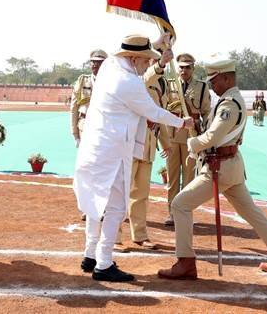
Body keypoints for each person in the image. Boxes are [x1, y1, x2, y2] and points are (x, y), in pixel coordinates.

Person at [157, 59, 267, 280]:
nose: (211, 85)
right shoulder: (229, 100)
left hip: (218, 168)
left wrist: (194, 143)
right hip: (229, 166)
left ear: (226, 78)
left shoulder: (229, 104)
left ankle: (185, 262)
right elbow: (214, 132)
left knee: (180, 204)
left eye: (214, 80)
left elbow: (214, 136)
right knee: (252, 214)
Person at [73, 34, 193, 282]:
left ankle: (90, 255)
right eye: (147, 59)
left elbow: (140, 67)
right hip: (114, 152)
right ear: (135, 58)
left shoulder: (109, 68)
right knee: (116, 207)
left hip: (95, 149)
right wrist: (182, 122)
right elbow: (153, 111)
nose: (149, 63)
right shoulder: (129, 82)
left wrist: (159, 44)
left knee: (96, 203)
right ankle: (104, 263)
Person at [121, 47, 174, 250]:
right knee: (121, 192)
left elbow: (159, 115)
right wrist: (160, 65)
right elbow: (148, 78)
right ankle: (114, 236)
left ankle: (140, 234)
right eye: (155, 57)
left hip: (148, 145)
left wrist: (166, 144)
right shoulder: (137, 79)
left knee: (141, 194)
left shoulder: (161, 85)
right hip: (131, 144)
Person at [162, 53, 211, 226]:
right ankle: (172, 214)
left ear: (193, 68)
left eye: (188, 67)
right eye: (181, 67)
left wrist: (204, 136)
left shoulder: (202, 87)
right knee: (173, 177)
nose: (184, 70)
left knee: (189, 178)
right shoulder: (169, 85)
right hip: (173, 136)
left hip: (192, 137)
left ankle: (184, 212)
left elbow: (206, 113)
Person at [70, 49, 108, 148]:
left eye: (99, 62)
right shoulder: (82, 81)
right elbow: (74, 109)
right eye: (93, 61)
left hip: (104, 127)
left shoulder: (111, 83)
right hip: (85, 125)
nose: (95, 64)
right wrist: (75, 135)